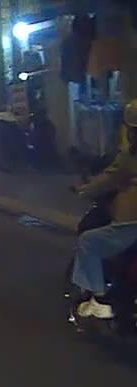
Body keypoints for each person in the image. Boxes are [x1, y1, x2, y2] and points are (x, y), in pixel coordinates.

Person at [71, 100, 137, 319]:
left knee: (88, 241)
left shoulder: (129, 156)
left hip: (131, 223)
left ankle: (99, 300)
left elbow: (108, 179)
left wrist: (84, 190)